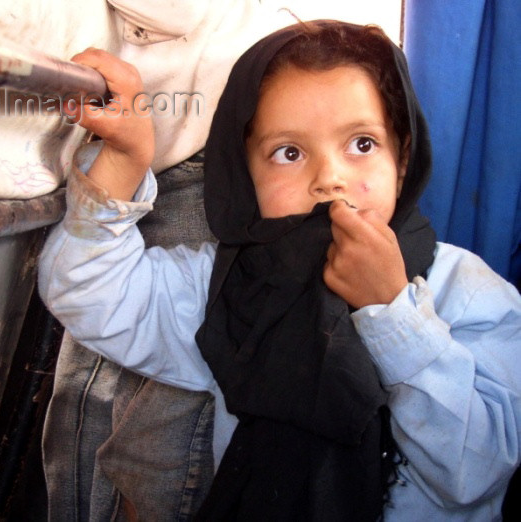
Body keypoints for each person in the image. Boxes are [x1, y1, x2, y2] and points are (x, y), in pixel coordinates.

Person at [39, 20, 521, 520]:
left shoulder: (467, 291)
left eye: (361, 144)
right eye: (288, 153)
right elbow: (90, 291)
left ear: (401, 159)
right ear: (246, 178)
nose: (329, 179)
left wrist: (392, 312)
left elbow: (477, 472)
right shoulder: (227, 289)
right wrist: (126, 158)